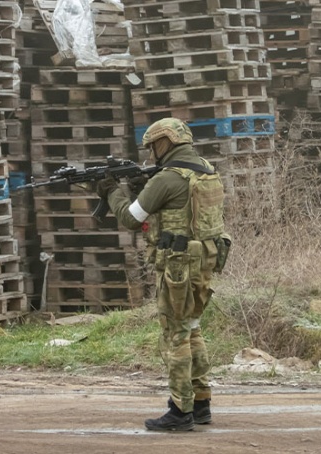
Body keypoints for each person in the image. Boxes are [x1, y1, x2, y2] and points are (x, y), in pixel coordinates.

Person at [94, 117, 231, 431]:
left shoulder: (168, 178)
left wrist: (112, 191)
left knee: (175, 334)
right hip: (205, 260)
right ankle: (200, 403)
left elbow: (131, 218)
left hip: (178, 266)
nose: (152, 152)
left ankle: (179, 410)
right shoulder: (206, 169)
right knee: (192, 327)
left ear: (165, 143)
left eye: (153, 146)